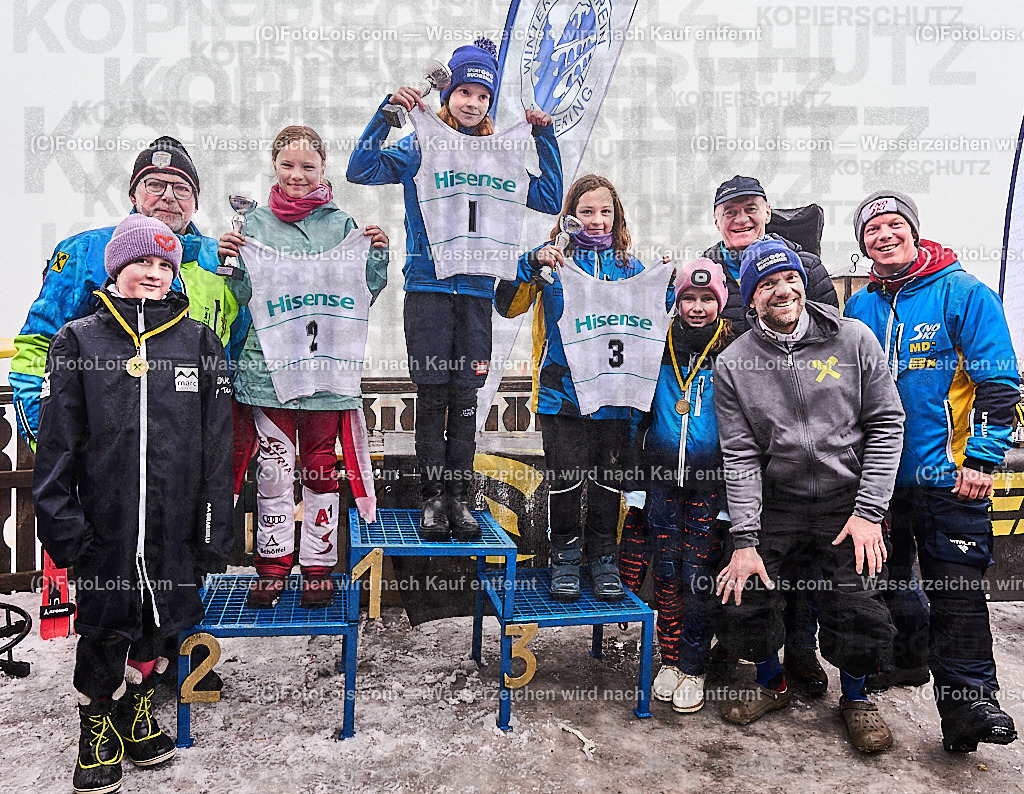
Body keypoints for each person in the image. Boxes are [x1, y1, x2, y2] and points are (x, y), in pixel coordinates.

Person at [33, 215, 234, 794]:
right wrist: (64, 527)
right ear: (117, 267)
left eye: (163, 264)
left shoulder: (198, 341)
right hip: (107, 525)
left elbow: (217, 446)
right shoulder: (80, 340)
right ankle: (97, 721)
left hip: (174, 523)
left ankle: (139, 704)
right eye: (141, 262)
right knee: (102, 627)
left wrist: (212, 529)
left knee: (157, 621)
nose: (152, 273)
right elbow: (57, 442)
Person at [347, 37, 563, 541]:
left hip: (474, 293)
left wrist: (544, 137)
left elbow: (551, 197)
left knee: (466, 397)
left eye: (483, 95)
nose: (472, 102)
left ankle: (461, 499)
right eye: (464, 91)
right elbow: (361, 169)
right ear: (448, 97)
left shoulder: (499, 154)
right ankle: (432, 501)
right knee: (433, 395)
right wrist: (387, 114)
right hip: (427, 288)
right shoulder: (422, 144)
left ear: (491, 102)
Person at [713, 237, 905, 753]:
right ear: (750, 297)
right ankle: (771, 683)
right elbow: (740, 454)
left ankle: (857, 700)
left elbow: (887, 421)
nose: (782, 290)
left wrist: (869, 513)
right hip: (779, 500)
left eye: (789, 278)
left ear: (803, 280)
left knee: (858, 600)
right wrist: (745, 537)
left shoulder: (853, 339)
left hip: (849, 501)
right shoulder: (733, 363)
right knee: (747, 588)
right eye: (767, 284)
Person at [845, 190, 1019, 753]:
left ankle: (969, 709)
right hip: (881, 482)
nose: (884, 235)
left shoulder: (964, 292)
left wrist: (983, 460)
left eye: (894, 224)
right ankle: (904, 664)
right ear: (863, 244)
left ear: (914, 231)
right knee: (890, 586)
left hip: (952, 479)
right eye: (872, 230)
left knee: (957, 596)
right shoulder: (861, 308)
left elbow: (999, 384)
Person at [218, 125, 389, 609]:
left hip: (326, 373)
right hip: (266, 372)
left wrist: (377, 254)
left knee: (320, 472)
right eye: (288, 165)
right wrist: (229, 261)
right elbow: (240, 301)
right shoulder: (252, 225)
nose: (297, 175)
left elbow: (363, 294)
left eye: (307, 167)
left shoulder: (343, 225)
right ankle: (271, 566)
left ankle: (318, 566)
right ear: (274, 166)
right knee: (272, 472)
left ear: (323, 169)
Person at [10, 136, 246, 451]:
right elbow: (39, 345)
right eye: (155, 185)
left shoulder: (220, 266)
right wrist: (47, 437)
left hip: (185, 460)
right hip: (103, 457)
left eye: (182, 189)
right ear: (133, 194)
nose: (169, 197)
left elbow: (233, 360)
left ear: (196, 203)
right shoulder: (87, 252)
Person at [702, 174, 838, 695]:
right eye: (729, 211)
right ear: (717, 219)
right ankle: (738, 648)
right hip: (731, 431)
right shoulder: (708, 266)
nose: (741, 219)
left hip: (798, 440)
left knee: (801, 558)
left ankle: (802, 652)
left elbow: (828, 344)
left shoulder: (805, 267)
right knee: (734, 545)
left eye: (750, 209)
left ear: (766, 212)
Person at [495, 174, 655, 602]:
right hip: (560, 394)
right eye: (587, 211)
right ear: (569, 216)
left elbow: (653, 324)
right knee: (565, 479)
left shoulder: (631, 268)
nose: (597, 220)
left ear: (617, 215)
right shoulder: (554, 262)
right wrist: (530, 264)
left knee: (606, 479)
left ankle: (603, 557)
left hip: (613, 396)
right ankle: (564, 556)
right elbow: (506, 305)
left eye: (606, 211)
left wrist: (670, 289)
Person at [635, 258, 736, 713]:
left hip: (709, 486)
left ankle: (695, 666)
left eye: (706, 298)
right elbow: (637, 416)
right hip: (660, 483)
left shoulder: (735, 349)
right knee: (668, 574)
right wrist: (635, 487)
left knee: (699, 578)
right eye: (688, 298)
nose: (697, 307)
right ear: (676, 301)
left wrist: (735, 501)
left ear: (721, 302)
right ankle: (670, 661)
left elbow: (748, 429)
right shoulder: (655, 345)